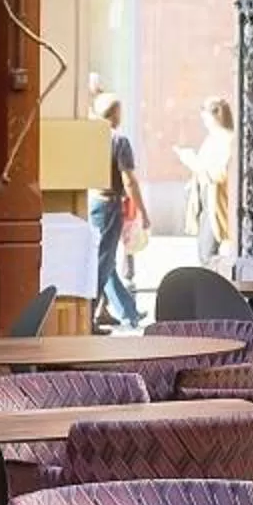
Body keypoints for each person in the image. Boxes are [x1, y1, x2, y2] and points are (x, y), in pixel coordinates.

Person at [91, 93, 146, 329]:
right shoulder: (119, 141)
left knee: (104, 259)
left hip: (92, 200)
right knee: (103, 262)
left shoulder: (91, 138)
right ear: (116, 114)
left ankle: (123, 310)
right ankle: (89, 314)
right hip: (110, 205)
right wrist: (143, 211)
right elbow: (129, 180)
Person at [177, 96, 235, 263]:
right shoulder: (211, 138)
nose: (204, 122)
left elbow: (221, 172)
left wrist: (193, 163)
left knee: (208, 253)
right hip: (204, 197)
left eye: (205, 118)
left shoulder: (227, 139)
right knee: (203, 248)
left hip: (215, 201)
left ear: (216, 115)